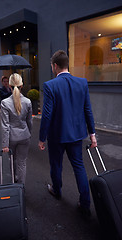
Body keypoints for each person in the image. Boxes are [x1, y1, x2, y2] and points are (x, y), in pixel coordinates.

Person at [38, 50, 97, 217]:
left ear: (55, 66)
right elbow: (88, 110)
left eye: (52, 66)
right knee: (79, 167)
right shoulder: (82, 83)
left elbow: (47, 115)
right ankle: (85, 203)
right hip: (76, 135)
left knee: (56, 165)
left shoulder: (50, 85)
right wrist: (92, 134)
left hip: (56, 136)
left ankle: (57, 191)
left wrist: (42, 138)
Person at [1, 73, 32, 184]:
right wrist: (29, 133)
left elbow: (5, 125)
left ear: (9, 85)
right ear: (21, 85)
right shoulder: (28, 102)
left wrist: (5, 144)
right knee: (22, 163)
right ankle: (21, 187)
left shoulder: (5, 103)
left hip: (12, 138)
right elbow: (29, 121)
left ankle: (14, 181)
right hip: (24, 136)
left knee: (12, 160)